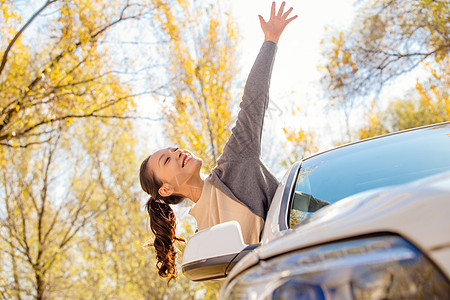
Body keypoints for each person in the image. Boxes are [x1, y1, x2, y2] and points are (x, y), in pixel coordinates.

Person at [139, 1, 297, 281]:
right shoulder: (204, 240)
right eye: (168, 159)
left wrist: (270, 41)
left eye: (175, 149)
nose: (178, 153)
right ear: (165, 190)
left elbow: (252, 104)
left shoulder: (235, 163)